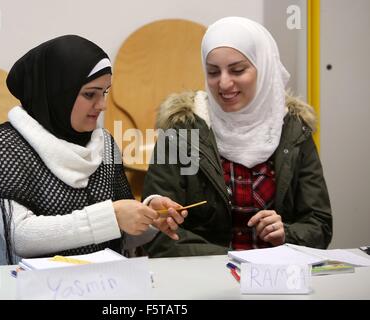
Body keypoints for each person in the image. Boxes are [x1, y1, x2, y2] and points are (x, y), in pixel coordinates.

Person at [0, 35, 186, 265]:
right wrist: (113, 216)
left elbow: (118, 236)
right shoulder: (4, 145)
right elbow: (19, 236)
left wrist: (150, 217)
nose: (102, 105)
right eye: (90, 94)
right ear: (58, 93)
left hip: (99, 284)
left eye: (104, 92)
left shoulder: (104, 143)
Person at [142, 17, 332, 257]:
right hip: (206, 281)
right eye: (212, 72)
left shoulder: (293, 131)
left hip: (277, 278)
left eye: (238, 70)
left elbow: (320, 224)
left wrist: (287, 233)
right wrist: (230, 262)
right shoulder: (181, 131)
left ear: (263, 68)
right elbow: (160, 235)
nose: (223, 83)